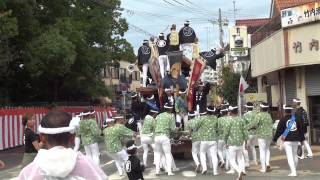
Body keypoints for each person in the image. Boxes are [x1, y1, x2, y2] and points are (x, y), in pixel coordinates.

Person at [18, 110, 108, 179]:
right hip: (92, 141)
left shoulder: (28, 173)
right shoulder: (89, 166)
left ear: (42, 137)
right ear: (72, 137)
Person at [273, 105, 305, 177]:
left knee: (290, 156)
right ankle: (294, 170)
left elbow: (279, 131)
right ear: (291, 111)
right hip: (296, 139)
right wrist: (302, 139)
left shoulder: (283, 119)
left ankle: (293, 172)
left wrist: (274, 139)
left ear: (284, 111)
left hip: (287, 140)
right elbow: (300, 130)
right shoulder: (296, 119)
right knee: (295, 155)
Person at [224, 105, 248, 180]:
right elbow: (245, 132)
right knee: (240, 159)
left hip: (231, 143)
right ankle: (239, 175)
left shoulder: (229, 121)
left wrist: (225, 142)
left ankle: (239, 171)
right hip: (240, 142)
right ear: (237, 112)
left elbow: (226, 133)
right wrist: (246, 142)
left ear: (231, 112)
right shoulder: (241, 120)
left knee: (232, 160)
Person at [248, 102, 273, 173]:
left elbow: (253, 124)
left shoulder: (259, 115)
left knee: (262, 151)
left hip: (262, 135)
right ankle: (267, 163)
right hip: (269, 135)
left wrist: (246, 127)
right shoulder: (269, 115)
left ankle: (263, 168)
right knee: (267, 149)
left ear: (261, 108)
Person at [154, 103, 176, 176]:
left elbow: (155, 125)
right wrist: (173, 135)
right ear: (170, 109)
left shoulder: (158, 116)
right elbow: (173, 129)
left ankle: (157, 171)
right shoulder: (171, 116)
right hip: (165, 136)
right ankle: (169, 171)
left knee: (158, 154)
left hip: (156, 136)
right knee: (167, 154)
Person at [197, 106, 219, 175]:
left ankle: (204, 168)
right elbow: (217, 128)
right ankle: (215, 171)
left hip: (204, 139)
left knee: (202, 153)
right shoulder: (215, 118)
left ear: (206, 111)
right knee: (214, 155)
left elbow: (196, 126)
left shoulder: (202, 118)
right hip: (213, 139)